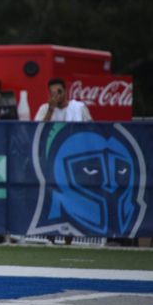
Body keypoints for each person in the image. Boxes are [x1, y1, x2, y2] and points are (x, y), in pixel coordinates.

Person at [35, 77, 91, 246]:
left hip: (75, 161)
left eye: (58, 92)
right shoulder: (44, 109)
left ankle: (69, 238)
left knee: (73, 198)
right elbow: (37, 132)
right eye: (52, 93)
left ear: (65, 92)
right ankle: (50, 236)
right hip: (51, 162)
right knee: (51, 198)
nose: (56, 96)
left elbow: (91, 130)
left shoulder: (79, 108)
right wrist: (50, 110)